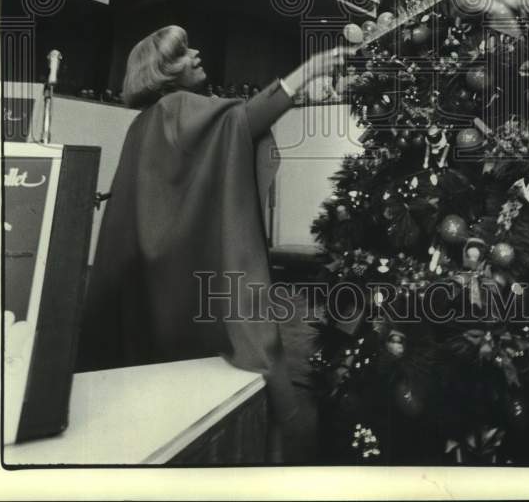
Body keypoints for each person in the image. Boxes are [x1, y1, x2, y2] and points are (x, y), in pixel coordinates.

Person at [75, 25, 351, 462]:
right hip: (189, 298)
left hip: (150, 293)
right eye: (184, 53)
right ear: (165, 73)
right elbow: (244, 121)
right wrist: (307, 72)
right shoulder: (177, 107)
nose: (198, 53)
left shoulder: (144, 123)